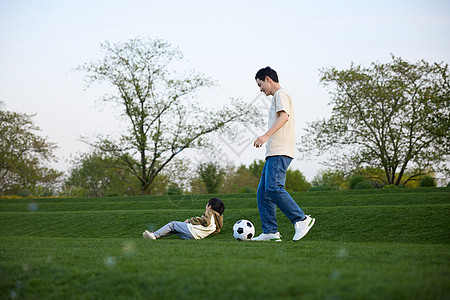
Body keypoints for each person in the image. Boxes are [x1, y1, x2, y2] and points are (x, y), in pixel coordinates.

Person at [252, 66, 315, 242]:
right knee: (263, 192)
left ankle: (301, 219)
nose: (260, 89)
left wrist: (265, 135)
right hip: (273, 152)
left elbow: (284, 117)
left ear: (268, 79)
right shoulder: (277, 97)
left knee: (273, 188)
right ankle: (270, 232)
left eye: (260, 84)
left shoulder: (281, 94)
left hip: (280, 151)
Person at [142, 198, 225, 240]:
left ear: (210, 207)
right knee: (174, 230)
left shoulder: (210, 212)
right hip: (195, 237)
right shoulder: (216, 219)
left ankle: (154, 235)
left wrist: (190, 221)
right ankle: (155, 235)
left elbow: (204, 221)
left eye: (207, 205)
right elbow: (217, 229)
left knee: (173, 224)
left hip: (192, 231)